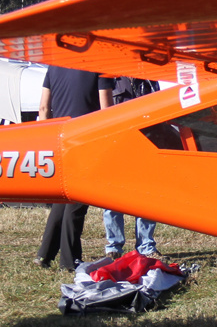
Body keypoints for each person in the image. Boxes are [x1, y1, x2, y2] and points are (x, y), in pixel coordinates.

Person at [34, 65, 102, 271]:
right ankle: (69, 259)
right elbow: (107, 110)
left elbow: (44, 108)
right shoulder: (100, 69)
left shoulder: (53, 68)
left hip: (59, 138)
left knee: (63, 200)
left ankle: (44, 254)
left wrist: (47, 139)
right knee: (78, 201)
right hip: (85, 139)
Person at [99, 76, 160, 258]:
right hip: (117, 144)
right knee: (112, 196)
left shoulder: (150, 79)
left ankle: (146, 245)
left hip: (145, 142)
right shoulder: (109, 79)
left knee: (146, 194)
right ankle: (114, 246)